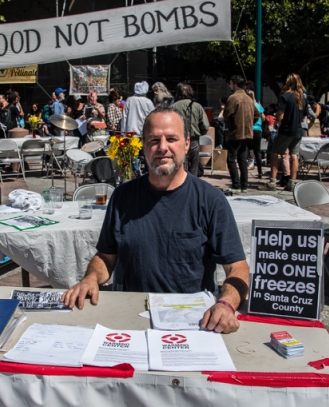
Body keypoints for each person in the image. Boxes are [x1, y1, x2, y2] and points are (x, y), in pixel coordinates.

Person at [62, 107, 249, 333]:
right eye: (154, 140)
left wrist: (226, 304)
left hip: (195, 321)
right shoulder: (123, 197)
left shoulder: (211, 201)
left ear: (187, 144)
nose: (162, 147)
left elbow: (237, 267)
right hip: (134, 316)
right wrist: (91, 278)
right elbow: (106, 256)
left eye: (171, 139)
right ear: (143, 145)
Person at [265, 73, 307, 192]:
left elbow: (280, 116)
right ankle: (292, 182)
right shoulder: (303, 98)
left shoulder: (285, 96)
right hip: (298, 130)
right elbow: (304, 117)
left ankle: (272, 181)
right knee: (294, 156)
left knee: (274, 153)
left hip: (286, 130)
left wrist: (277, 120)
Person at [223, 75, 255, 194]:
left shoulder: (233, 98)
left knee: (231, 159)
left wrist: (234, 122)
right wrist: (249, 122)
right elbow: (256, 114)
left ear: (235, 83)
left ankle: (236, 185)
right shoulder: (248, 98)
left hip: (236, 132)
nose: (230, 86)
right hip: (247, 132)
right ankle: (244, 185)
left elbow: (227, 115)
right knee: (242, 159)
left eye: (231, 83)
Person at [171, 82, 210, 176]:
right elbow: (205, 126)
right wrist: (199, 132)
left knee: (181, 166)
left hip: (179, 140)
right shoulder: (197, 106)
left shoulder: (173, 107)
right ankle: (193, 185)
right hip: (194, 140)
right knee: (194, 167)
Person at [245, 85, 264, 178]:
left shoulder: (247, 105)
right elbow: (263, 118)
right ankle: (260, 172)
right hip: (258, 130)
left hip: (249, 129)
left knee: (246, 149)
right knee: (258, 151)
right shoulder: (258, 106)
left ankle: (244, 171)